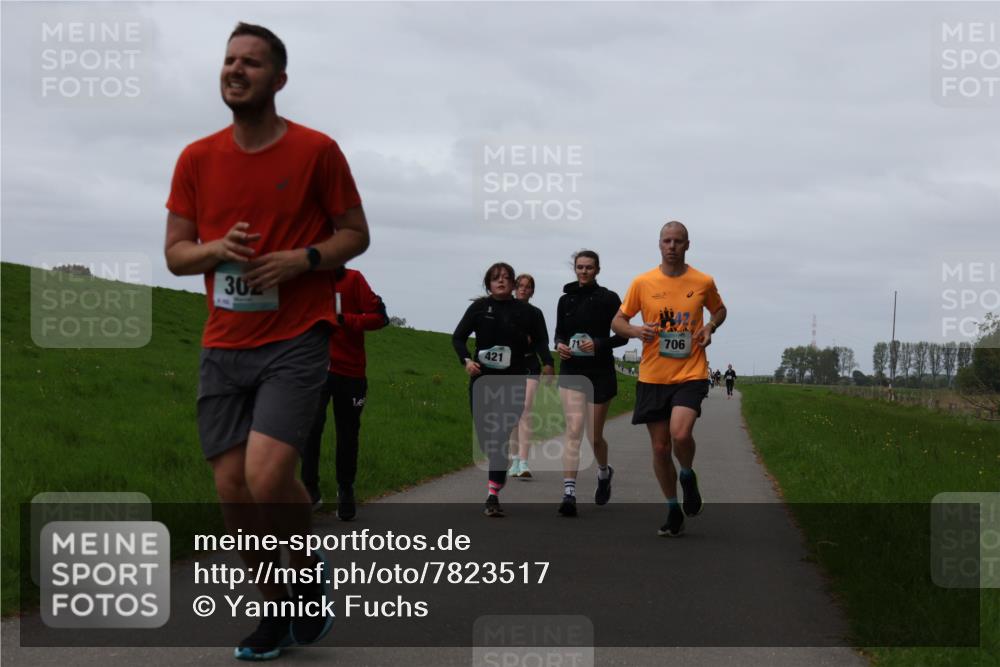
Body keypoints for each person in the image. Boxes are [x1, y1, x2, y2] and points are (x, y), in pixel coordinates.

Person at [164, 23, 369, 660]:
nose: (236, 70)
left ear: (278, 80)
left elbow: (355, 234)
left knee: (267, 472)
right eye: (229, 60)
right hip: (223, 342)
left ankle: (303, 569)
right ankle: (276, 610)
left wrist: (303, 260)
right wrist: (214, 251)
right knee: (231, 488)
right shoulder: (197, 158)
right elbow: (175, 254)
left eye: (251, 63)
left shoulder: (317, 150)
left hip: (295, 337)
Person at [612, 221, 726, 537]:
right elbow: (618, 321)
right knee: (661, 449)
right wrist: (635, 330)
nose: (672, 246)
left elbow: (719, 310)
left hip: (691, 373)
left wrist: (709, 327)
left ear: (687, 244)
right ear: (659, 244)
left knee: (680, 434)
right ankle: (673, 508)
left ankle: (687, 475)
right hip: (652, 376)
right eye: (666, 241)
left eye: (678, 241)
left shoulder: (702, 281)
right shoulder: (642, 282)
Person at [452, 263, 549, 517]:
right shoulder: (479, 309)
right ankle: (497, 466)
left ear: (514, 283)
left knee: (500, 435)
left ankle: (492, 494)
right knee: (487, 438)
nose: (502, 281)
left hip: (513, 380)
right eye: (496, 278)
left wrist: (547, 362)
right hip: (482, 380)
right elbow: (458, 337)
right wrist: (466, 360)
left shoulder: (528, 312)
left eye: (507, 278)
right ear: (488, 283)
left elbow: (541, 339)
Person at [301, 267, 388, 520]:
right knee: (310, 426)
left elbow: (380, 318)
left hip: (350, 370)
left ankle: (345, 487)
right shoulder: (302, 278)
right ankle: (309, 489)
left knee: (348, 432)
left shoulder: (353, 278)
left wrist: (344, 320)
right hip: (312, 369)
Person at [554, 250, 627, 517]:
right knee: (573, 431)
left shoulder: (609, 298)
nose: (583, 271)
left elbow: (623, 337)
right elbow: (559, 332)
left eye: (588, 267)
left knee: (594, 436)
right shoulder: (566, 300)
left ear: (597, 270)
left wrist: (597, 343)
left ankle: (604, 473)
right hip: (572, 370)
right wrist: (559, 345)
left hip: (600, 372)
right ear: (574, 269)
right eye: (579, 267)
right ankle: (569, 493)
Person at [508, 274, 555, 479]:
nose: (523, 290)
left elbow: (541, 340)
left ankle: (524, 461)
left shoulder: (535, 313)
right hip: (508, 366)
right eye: (520, 286)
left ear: (532, 291)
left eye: (528, 287)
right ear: (513, 288)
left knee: (525, 409)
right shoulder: (505, 310)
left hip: (529, 364)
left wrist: (548, 363)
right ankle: (515, 460)